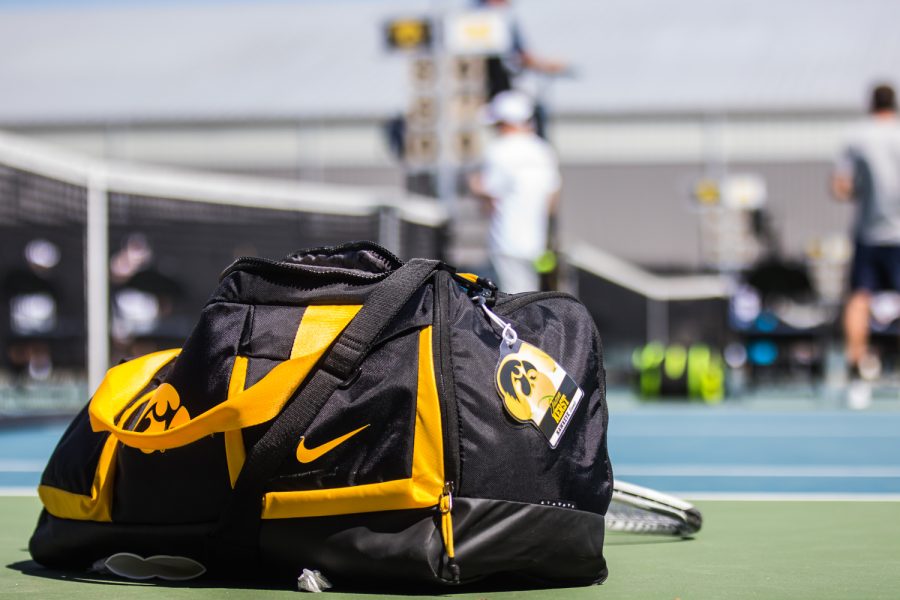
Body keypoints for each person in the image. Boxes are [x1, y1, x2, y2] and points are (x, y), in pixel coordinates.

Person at [831, 83, 900, 380]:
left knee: (860, 297)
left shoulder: (857, 137)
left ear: (870, 104)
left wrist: (862, 191)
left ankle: (855, 362)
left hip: (869, 233)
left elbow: (841, 187)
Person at [469, 90, 561, 294]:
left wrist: (475, 185)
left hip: (506, 242)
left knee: (508, 302)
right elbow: (552, 199)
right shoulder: (542, 150)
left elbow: (489, 193)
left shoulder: (499, 150)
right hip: (536, 243)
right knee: (531, 299)